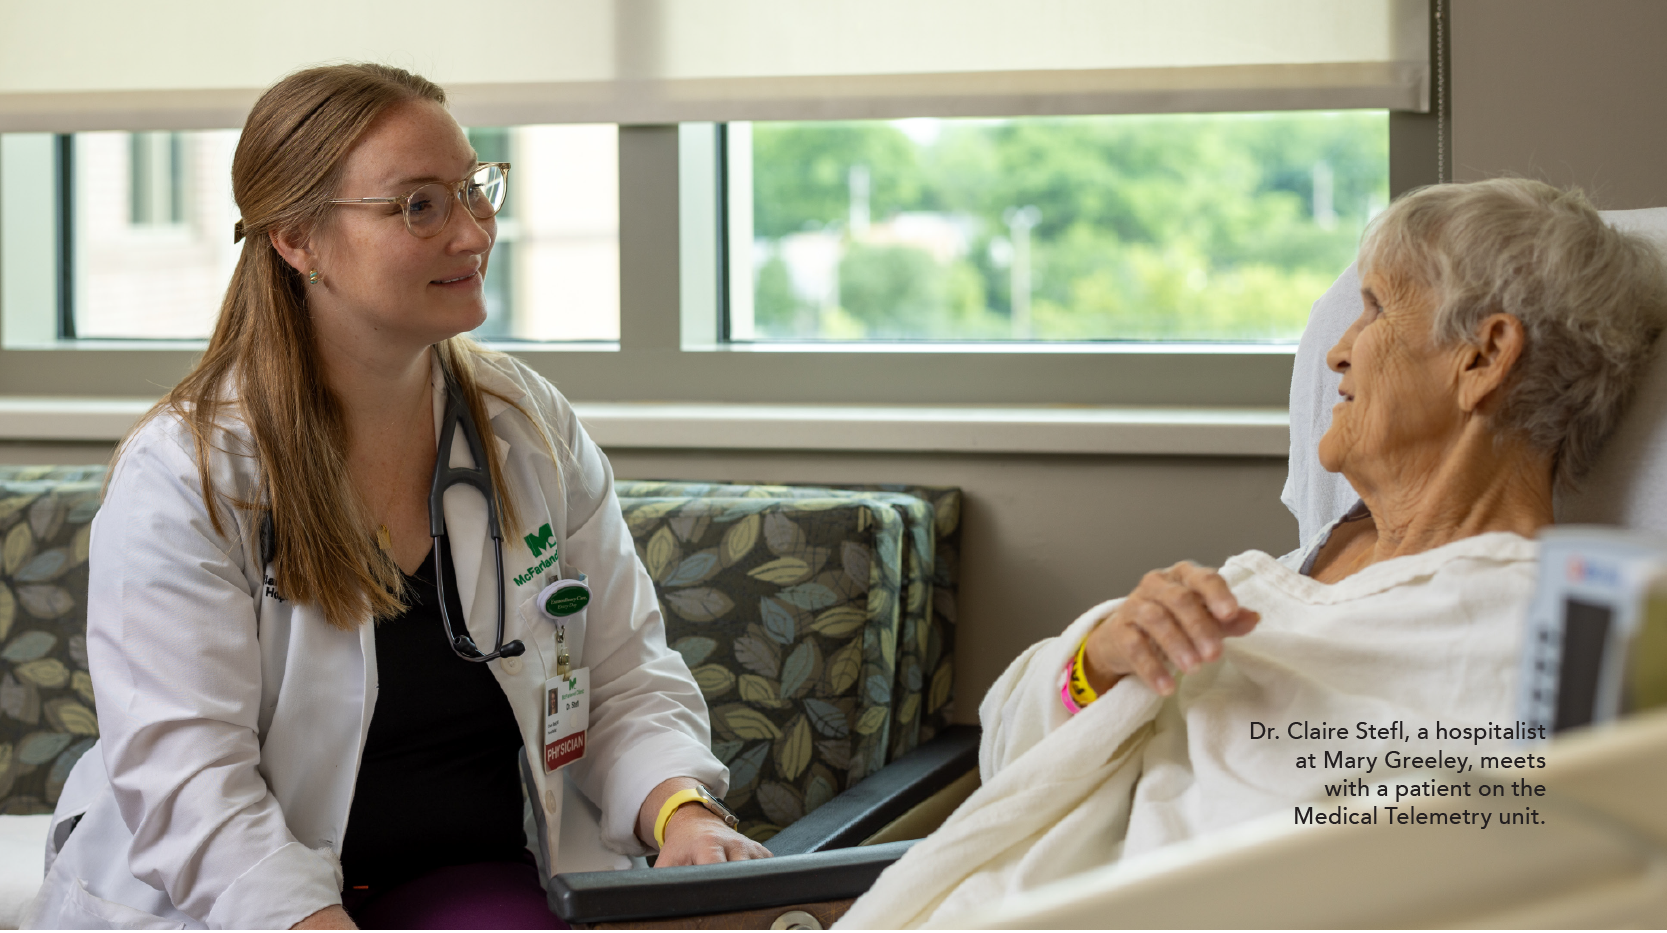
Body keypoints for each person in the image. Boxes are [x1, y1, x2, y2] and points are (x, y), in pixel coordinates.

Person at [25, 64, 768, 932]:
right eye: (420, 204)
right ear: (296, 239)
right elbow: (188, 780)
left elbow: (619, 677)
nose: (473, 232)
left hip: (465, 878)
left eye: (472, 190)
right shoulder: (188, 471)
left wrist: (679, 810)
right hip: (248, 900)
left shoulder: (525, 427)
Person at [838, 178, 1667, 928]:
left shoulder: (1543, 634)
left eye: (1376, 310)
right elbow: (1011, 766)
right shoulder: (1270, 580)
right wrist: (1104, 655)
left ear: (1483, 356)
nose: (1337, 350)